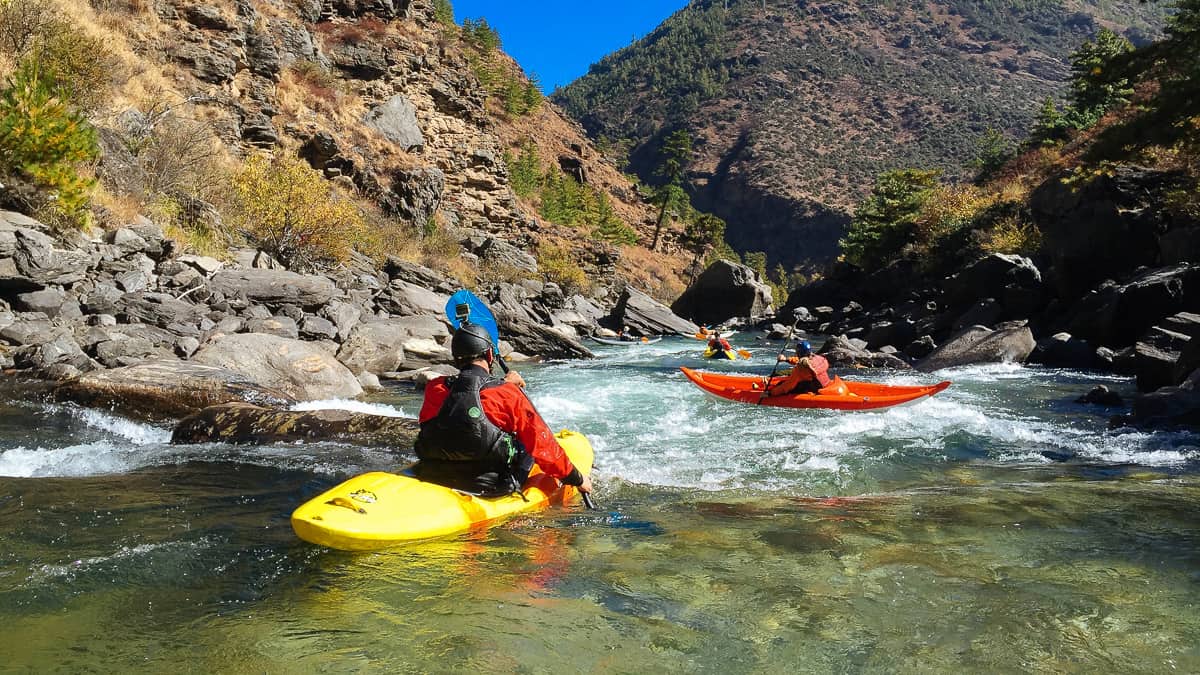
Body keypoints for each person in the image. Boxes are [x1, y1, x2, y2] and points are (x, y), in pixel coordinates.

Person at [413, 322, 594, 498]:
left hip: (433, 474)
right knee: (523, 443)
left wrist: (504, 384)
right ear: (490, 354)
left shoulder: (435, 387)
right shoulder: (506, 393)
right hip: (490, 485)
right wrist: (576, 479)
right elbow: (541, 444)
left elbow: (467, 394)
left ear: (456, 358)